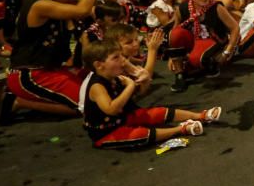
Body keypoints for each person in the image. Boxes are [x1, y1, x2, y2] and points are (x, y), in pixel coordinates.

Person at [0, 0, 102, 124]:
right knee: (89, 107)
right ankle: (17, 101)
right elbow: (82, 10)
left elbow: (82, 4)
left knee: (97, 89)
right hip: (32, 75)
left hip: (50, 70)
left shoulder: (48, 3)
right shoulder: (39, 5)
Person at [80, 39, 219, 148]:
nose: (122, 61)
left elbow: (139, 93)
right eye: (116, 58)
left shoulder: (114, 77)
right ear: (99, 65)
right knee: (139, 135)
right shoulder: (97, 86)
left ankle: (201, 116)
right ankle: (181, 129)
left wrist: (143, 82)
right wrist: (130, 86)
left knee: (153, 113)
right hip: (106, 132)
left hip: (123, 118)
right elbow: (111, 109)